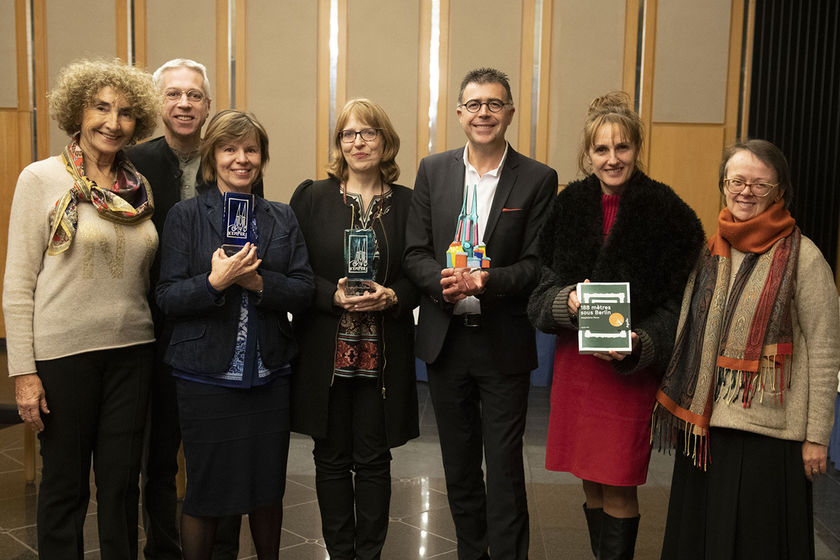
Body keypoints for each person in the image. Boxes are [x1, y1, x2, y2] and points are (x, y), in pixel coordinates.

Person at [527, 91, 705, 560]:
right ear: (588, 155)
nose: (612, 159)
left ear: (637, 149)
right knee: (590, 481)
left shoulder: (668, 215)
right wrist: (567, 300)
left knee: (621, 481)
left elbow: (679, 309)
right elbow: (540, 299)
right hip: (579, 368)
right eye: (602, 150)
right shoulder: (567, 209)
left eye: (622, 148)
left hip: (629, 372)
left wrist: (642, 343)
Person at [3, 58, 159, 558]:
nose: (114, 122)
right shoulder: (41, 178)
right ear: (78, 111)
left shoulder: (138, 187)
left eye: (127, 113)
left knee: (119, 488)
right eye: (102, 107)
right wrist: (23, 372)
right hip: (63, 356)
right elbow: (18, 282)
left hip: (134, 352)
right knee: (65, 487)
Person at [656, 139, 840, 560]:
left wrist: (816, 437)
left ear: (780, 191)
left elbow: (827, 349)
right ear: (724, 185)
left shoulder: (804, 257)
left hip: (771, 437)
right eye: (737, 181)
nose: (746, 192)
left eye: (760, 184)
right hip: (706, 431)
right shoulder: (710, 250)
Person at [404, 67, 557, 559]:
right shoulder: (433, 169)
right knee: (460, 466)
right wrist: (442, 283)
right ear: (459, 113)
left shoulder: (537, 178)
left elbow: (537, 264)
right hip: (447, 340)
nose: (483, 113)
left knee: (506, 466)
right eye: (474, 104)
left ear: (509, 113)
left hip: (502, 341)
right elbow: (414, 253)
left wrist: (489, 282)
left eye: (494, 104)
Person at [155, 110, 314, 560]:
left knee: (267, 491)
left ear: (262, 158)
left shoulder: (281, 217)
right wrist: (215, 283)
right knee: (205, 492)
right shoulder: (185, 216)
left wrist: (259, 283)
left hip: (268, 376)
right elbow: (167, 297)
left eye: (250, 150)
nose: (240, 159)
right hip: (204, 376)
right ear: (212, 157)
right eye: (229, 149)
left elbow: (302, 291)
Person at [289, 98, 420, 559]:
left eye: (369, 133)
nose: (359, 142)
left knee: (374, 459)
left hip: (383, 353)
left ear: (386, 142)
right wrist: (331, 294)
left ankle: (370, 556)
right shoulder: (312, 198)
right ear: (338, 143)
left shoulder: (409, 203)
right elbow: (294, 268)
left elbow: (420, 270)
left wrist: (394, 295)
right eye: (349, 133)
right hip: (326, 349)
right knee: (329, 459)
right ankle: (341, 553)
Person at [126, 58, 244, 560]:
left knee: (220, 451)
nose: (184, 104)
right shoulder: (132, 163)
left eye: (194, 95)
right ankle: (164, 548)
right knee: (159, 453)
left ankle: (220, 549)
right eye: (173, 94)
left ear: (208, 105)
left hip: (219, 327)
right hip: (153, 327)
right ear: (158, 104)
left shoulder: (230, 158)